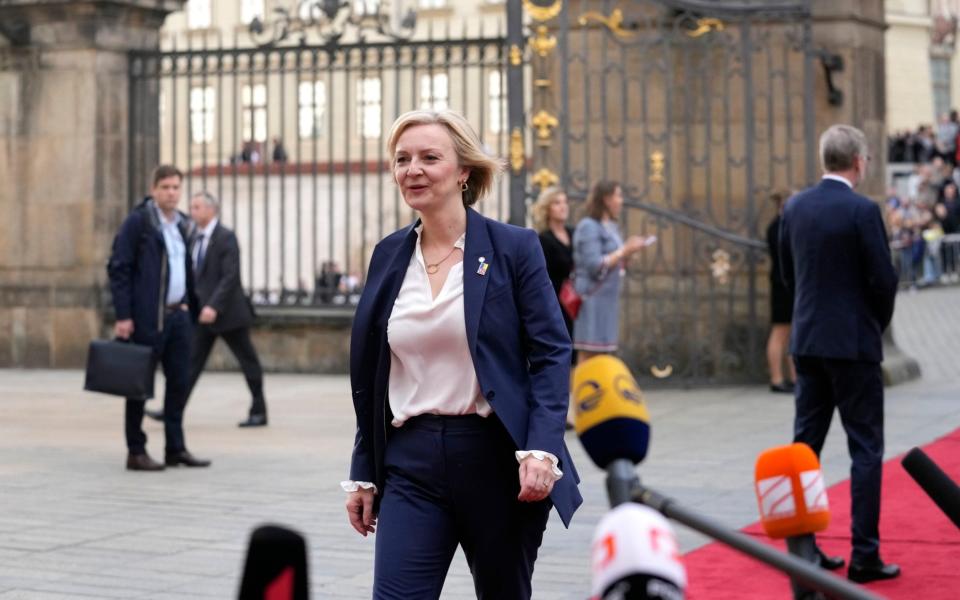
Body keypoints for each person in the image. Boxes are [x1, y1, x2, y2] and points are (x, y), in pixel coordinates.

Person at [342, 109, 582, 599]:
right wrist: (363, 469)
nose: (413, 169)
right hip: (411, 462)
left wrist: (542, 448)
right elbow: (372, 370)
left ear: (463, 172)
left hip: (497, 460)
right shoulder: (389, 255)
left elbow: (552, 352)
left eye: (430, 157)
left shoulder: (513, 247)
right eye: (402, 159)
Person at [779, 124, 900, 583]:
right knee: (865, 449)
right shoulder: (863, 210)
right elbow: (883, 280)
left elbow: (789, 275)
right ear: (858, 162)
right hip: (853, 345)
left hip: (809, 342)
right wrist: (875, 324)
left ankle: (804, 549)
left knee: (804, 448)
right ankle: (864, 554)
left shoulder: (796, 207)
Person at [107, 165, 211, 471]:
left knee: (178, 383)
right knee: (138, 385)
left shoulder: (182, 226)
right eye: (165, 187)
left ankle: (175, 448)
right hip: (147, 319)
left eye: (176, 187)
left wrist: (192, 308)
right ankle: (135, 450)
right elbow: (119, 269)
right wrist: (124, 315)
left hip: (178, 316)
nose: (171, 193)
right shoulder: (139, 222)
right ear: (154, 189)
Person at [185, 191, 268, 427]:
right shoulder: (193, 237)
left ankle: (259, 411)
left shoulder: (225, 237)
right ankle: (175, 407)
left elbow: (230, 277)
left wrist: (213, 305)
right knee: (191, 363)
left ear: (212, 210)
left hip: (228, 314)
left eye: (197, 207)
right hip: (203, 315)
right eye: (192, 207)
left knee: (248, 361)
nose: (193, 212)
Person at [572, 181, 650, 363]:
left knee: (603, 352)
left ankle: (598, 390)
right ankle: (582, 390)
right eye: (618, 196)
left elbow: (614, 260)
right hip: (592, 297)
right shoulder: (588, 226)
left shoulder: (612, 227)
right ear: (607, 199)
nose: (621, 201)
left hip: (608, 298)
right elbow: (594, 264)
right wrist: (624, 251)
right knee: (589, 349)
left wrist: (628, 255)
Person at [531, 186, 574, 338]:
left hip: (576, 301)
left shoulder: (573, 233)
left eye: (565, 202)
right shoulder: (543, 239)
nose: (563, 206)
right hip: (555, 301)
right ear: (547, 209)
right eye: (557, 203)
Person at [765, 190, 797, 394]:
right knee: (781, 332)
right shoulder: (784, 227)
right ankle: (777, 378)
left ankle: (792, 377)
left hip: (782, 283)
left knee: (788, 333)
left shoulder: (775, 226)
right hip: (785, 285)